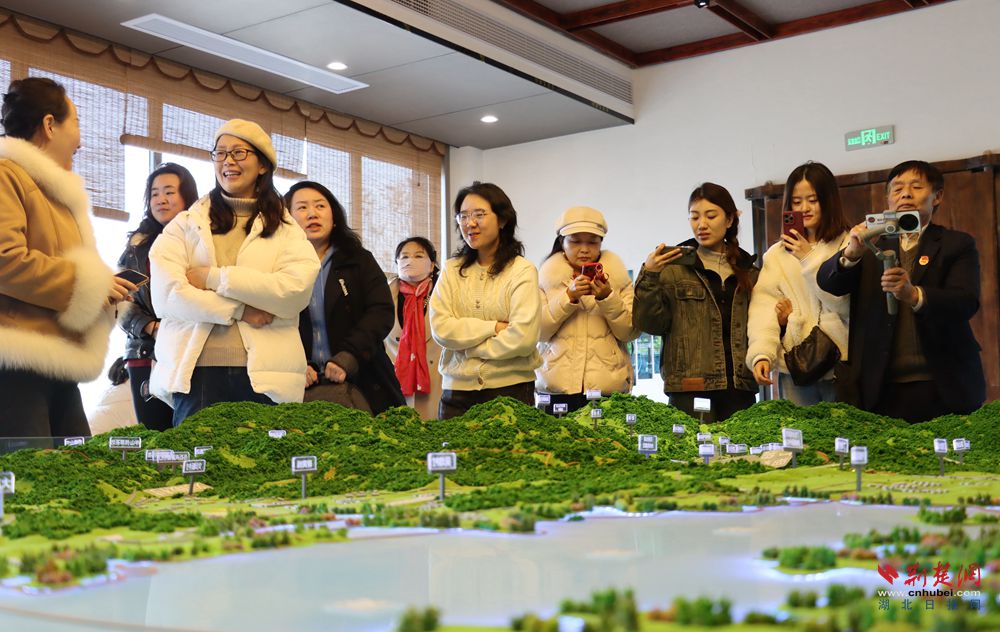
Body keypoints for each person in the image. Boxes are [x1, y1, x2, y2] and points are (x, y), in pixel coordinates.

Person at [149, 119, 319, 425]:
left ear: (263, 164)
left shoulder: (286, 229)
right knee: (194, 457)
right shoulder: (185, 225)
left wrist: (213, 278)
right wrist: (240, 309)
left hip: (267, 379)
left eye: (239, 152)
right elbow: (168, 296)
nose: (228, 161)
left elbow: (294, 291)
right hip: (196, 374)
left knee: (266, 457)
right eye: (220, 153)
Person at [0, 77, 134, 437]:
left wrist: (103, 290)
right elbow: (5, 260)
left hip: (56, 359)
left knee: (76, 467)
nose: (81, 139)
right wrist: (89, 285)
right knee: (33, 472)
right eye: (76, 122)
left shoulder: (52, 191)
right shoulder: (6, 175)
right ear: (49, 125)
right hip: (17, 362)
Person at [817, 160, 984, 422]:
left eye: (916, 187)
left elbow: (965, 301)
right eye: (897, 189)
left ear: (937, 196)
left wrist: (914, 295)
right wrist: (850, 253)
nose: (905, 194)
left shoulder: (956, 244)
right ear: (888, 199)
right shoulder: (870, 245)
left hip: (943, 383)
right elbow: (828, 283)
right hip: (881, 386)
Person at [633, 183, 758, 423]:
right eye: (694, 217)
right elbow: (649, 324)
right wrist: (649, 275)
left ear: (729, 220)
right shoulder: (672, 270)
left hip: (740, 388)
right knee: (694, 447)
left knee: (741, 447)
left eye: (711, 216)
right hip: (689, 389)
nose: (702, 224)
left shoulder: (749, 272)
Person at [288, 181, 405, 415]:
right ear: (287, 219)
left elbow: (380, 313)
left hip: (364, 379)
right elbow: (273, 322)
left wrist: (348, 356)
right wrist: (295, 364)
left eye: (320, 206)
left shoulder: (359, 259)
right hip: (298, 385)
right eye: (302, 207)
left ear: (334, 215)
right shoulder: (280, 266)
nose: (312, 214)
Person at [429, 182, 541, 419]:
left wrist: (468, 349)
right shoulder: (451, 270)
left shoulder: (522, 271)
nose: (470, 223)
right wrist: (494, 327)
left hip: (511, 390)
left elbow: (523, 338)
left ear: (502, 220)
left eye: (479, 215)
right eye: (463, 216)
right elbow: (441, 329)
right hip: (456, 393)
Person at [746, 162, 851, 406]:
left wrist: (808, 258)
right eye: (796, 201)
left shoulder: (848, 245)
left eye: (813, 200)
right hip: (796, 366)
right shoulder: (777, 255)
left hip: (841, 364)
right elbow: (763, 309)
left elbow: (845, 304)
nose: (804, 208)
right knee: (797, 429)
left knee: (843, 429)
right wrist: (762, 354)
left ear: (828, 200)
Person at [117, 163, 198, 430]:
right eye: (154, 193)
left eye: (169, 192)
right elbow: (120, 301)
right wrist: (150, 326)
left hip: (191, 349)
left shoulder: (201, 241)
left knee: (191, 432)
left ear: (187, 196)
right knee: (155, 435)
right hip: (145, 350)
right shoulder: (136, 247)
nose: (160, 199)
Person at [536, 206, 639, 412]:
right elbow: (539, 332)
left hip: (608, 389)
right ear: (562, 242)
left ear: (601, 243)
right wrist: (568, 297)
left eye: (592, 242)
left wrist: (607, 298)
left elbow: (629, 332)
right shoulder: (544, 279)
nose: (584, 249)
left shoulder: (619, 280)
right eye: (575, 241)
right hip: (556, 390)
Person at [385, 236, 443, 419]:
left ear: (432, 265)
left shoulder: (442, 292)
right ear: (397, 263)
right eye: (404, 256)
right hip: (395, 377)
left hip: (435, 377)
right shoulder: (385, 294)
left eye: (418, 256)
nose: (410, 261)